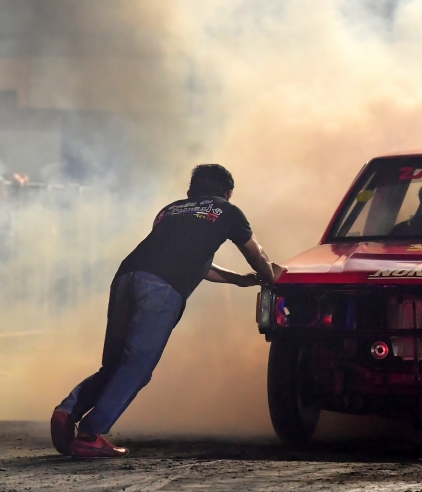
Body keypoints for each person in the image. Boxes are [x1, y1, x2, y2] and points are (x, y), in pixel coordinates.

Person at [50, 164, 285, 458]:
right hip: (161, 289)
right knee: (136, 367)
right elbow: (256, 254)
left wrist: (237, 280)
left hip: (126, 277)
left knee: (114, 364)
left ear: (190, 191)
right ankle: (89, 435)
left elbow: (191, 263)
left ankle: (67, 411)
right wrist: (271, 277)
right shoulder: (228, 211)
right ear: (228, 193)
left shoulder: (170, 210)